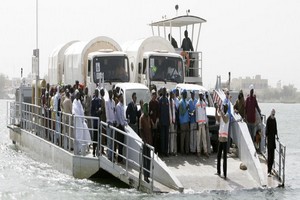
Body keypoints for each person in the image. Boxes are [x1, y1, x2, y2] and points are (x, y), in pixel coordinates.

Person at [72, 89, 92, 155]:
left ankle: (83, 148)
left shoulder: (79, 102)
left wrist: (83, 118)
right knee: (78, 135)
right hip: (77, 122)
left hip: (81, 121)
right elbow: (74, 111)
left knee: (84, 133)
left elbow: (81, 111)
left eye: (78, 94)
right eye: (77, 94)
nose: (78, 96)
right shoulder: (74, 102)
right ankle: (78, 149)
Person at [215, 103, 229, 179]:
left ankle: (225, 174)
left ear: (226, 108)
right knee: (218, 156)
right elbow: (217, 118)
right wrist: (216, 110)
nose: (223, 109)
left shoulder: (227, 115)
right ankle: (218, 171)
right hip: (220, 138)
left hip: (225, 139)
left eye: (224, 108)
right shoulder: (222, 115)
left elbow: (224, 119)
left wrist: (221, 112)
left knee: (224, 158)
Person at [139, 103, 152, 183]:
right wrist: (143, 140)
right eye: (146, 108)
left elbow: (150, 128)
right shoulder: (142, 118)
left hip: (149, 141)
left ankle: (148, 174)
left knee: (149, 158)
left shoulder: (148, 117)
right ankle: (145, 176)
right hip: (145, 142)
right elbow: (140, 130)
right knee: (145, 159)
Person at [195, 91, 209, 158]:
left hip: (203, 123)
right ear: (198, 95)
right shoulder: (197, 104)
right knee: (198, 138)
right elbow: (197, 114)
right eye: (200, 95)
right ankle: (198, 151)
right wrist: (197, 123)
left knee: (204, 137)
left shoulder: (204, 103)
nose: (201, 96)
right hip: (199, 123)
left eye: (202, 95)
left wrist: (206, 123)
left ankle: (205, 151)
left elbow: (205, 113)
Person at [266, 109, 278, 177]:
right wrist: (267, 139)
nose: (273, 115)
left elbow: (276, 128)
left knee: (272, 156)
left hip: (273, 140)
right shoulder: (268, 119)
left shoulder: (274, 120)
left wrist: (277, 135)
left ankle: (271, 169)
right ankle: (269, 170)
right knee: (269, 155)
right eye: (272, 114)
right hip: (269, 140)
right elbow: (267, 130)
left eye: (274, 114)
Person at [115, 93, 127, 163]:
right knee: (120, 144)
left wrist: (126, 121)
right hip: (119, 126)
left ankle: (121, 158)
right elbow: (119, 117)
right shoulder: (118, 106)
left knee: (122, 144)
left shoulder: (122, 106)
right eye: (121, 97)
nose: (122, 99)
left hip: (122, 125)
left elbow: (123, 117)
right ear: (119, 98)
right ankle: (119, 159)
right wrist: (123, 124)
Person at [158, 87, 170, 156]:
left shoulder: (167, 100)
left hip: (166, 122)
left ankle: (166, 151)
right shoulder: (160, 100)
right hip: (162, 122)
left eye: (165, 91)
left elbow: (168, 111)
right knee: (162, 138)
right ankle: (162, 152)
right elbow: (159, 112)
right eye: (164, 91)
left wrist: (168, 120)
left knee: (166, 137)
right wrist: (160, 121)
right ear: (162, 92)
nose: (165, 92)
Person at [105, 90, 116, 161]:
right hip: (109, 123)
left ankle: (112, 155)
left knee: (112, 140)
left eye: (111, 93)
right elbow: (107, 112)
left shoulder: (114, 102)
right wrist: (108, 121)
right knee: (109, 140)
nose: (111, 94)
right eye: (110, 93)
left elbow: (114, 112)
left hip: (113, 122)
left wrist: (114, 120)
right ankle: (109, 155)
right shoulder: (107, 102)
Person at [179, 89, 190, 154]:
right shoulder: (181, 102)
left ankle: (187, 150)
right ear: (183, 95)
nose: (186, 95)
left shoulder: (186, 101)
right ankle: (182, 151)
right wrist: (186, 108)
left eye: (186, 94)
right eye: (185, 94)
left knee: (187, 137)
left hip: (187, 121)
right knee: (182, 137)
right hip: (182, 122)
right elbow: (182, 113)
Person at [91, 89, 101, 157]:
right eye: (96, 92)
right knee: (95, 136)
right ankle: (94, 150)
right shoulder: (93, 100)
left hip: (99, 121)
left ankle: (97, 150)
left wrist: (99, 112)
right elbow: (92, 112)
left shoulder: (99, 100)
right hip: (95, 121)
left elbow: (101, 110)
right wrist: (96, 113)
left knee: (98, 137)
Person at [169, 90, 177, 156]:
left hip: (173, 121)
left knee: (172, 136)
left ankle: (172, 150)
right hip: (169, 121)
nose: (172, 95)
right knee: (169, 136)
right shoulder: (167, 101)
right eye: (171, 94)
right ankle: (169, 150)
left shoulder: (173, 102)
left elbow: (174, 111)